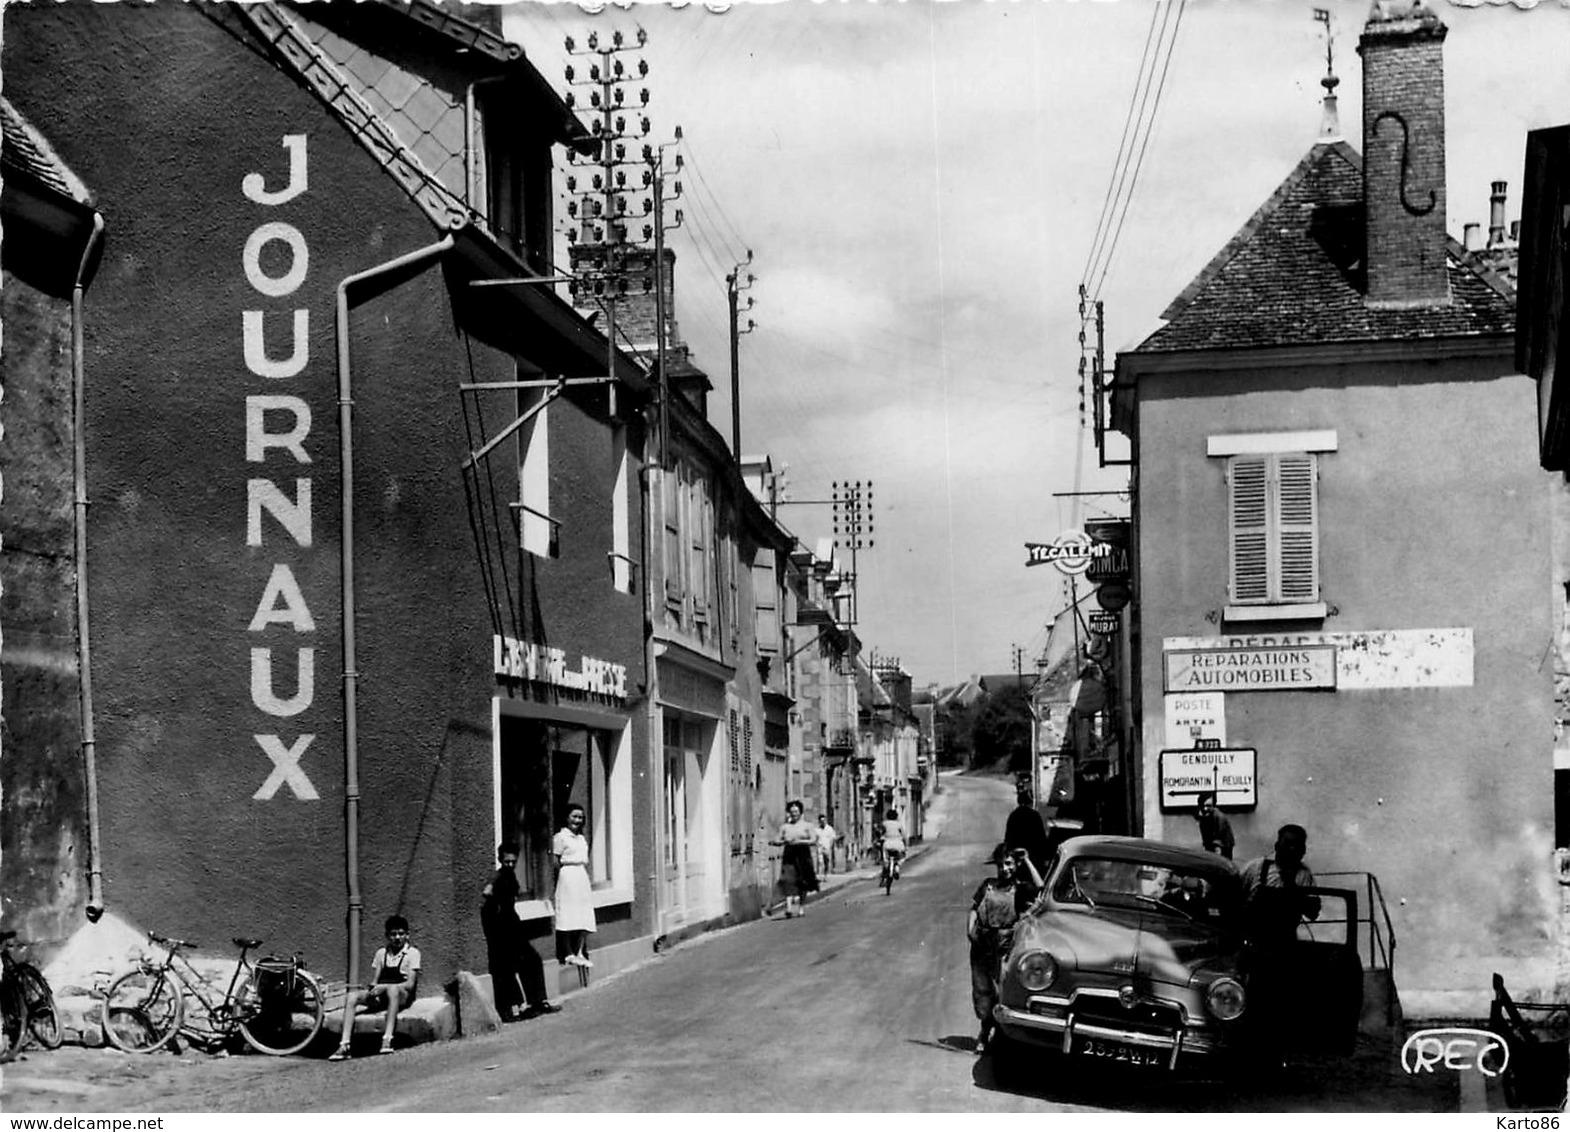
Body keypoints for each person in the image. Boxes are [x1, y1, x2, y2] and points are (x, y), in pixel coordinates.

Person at [967, 844, 1042, 1053]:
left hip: (1004, 946)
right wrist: (970, 930)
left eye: (1008, 864)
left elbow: (1041, 888)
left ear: (1015, 865)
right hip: (981, 944)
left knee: (1002, 993)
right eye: (1001, 865)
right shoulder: (987, 885)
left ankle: (1000, 1037)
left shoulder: (1020, 888)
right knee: (982, 992)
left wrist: (1026, 860)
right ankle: (983, 1032)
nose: (1004, 869)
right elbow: (974, 908)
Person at [481, 843, 562, 1022]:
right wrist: (497, 904)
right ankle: (511, 1010)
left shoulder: (511, 875)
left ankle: (537, 1002)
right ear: (500, 859)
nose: (510, 864)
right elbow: (486, 892)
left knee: (533, 960)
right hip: (501, 926)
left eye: (513, 861)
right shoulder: (498, 875)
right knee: (505, 968)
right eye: (507, 861)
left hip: (513, 924)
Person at [329, 915, 420, 1060]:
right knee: (352, 997)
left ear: (407, 935)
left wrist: (385, 987)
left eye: (401, 934)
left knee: (393, 990)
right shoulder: (381, 954)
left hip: (401, 995)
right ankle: (344, 1044)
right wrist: (373, 990)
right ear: (387, 936)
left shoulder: (412, 953)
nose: (397, 938)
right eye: (393, 934)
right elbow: (375, 980)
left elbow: (410, 985)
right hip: (383, 995)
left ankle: (387, 1039)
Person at [1238, 823, 1320, 947]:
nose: (1291, 849)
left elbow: (1313, 913)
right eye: (1287, 844)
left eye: (1296, 845)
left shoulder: (1304, 875)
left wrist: (1294, 892)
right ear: (1277, 846)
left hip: (1285, 943)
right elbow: (1233, 898)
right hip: (1252, 941)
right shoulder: (1255, 868)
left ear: (1303, 851)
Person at [551, 803, 597, 968]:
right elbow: (555, 861)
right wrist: (564, 875)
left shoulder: (581, 838)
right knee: (568, 914)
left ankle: (579, 952)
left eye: (580, 817)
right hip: (568, 877)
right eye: (574, 816)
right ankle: (568, 952)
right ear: (567, 817)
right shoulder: (560, 837)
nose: (577, 820)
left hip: (581, 877)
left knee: (584, 913)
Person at [771, 799, 820, 918]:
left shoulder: (808, 826)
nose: (794, 814)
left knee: (803, 882)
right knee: (787, 880)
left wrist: (800, 841)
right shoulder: (785, 827)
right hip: (789, 854)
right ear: (789, 813)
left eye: (796, 811)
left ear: (800, 812)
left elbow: (813, 840)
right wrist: (782, 841)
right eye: (792, 812)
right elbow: (776, 840)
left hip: (803, 855)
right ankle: (788, 908)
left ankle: (801, 907)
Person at [1004, 789, 1050, 874]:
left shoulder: (1013, 815)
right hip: (1034, 857)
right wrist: (1046, 856)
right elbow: (1041, 837)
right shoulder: (1034, 815)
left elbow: (1008, 838)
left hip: (1017, 857)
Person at [1193, 792, 1235, 860]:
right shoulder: (1202, 815)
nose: (1205, 809)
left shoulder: (1219, 817)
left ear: (1213, 806)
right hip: (1210, 843)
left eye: (1208, 806)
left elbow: (1218, 840)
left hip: (1224, 846)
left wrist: (1216, 855)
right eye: (1203, 806)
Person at [877, 807, 906, 880]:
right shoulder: (899, 824)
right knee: (902, 857)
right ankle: (897, 867)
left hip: (887, 844)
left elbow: (880, 833)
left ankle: (886, 867)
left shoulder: (884, 823)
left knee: (885, 857)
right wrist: (905, 844)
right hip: (898, 844)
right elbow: (904, 835)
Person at [814, 813, 839, 877]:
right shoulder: (817, 829)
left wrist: (830, 845)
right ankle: (819, 875)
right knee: (820, 862)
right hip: (820, 847)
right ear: (819, 821)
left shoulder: (829, 829)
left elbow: (833, 838)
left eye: (824, 821)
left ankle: (825, 874)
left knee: (826, 862)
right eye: (821, 821)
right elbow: (815, 838)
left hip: (827, 847)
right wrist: (816, 844)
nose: (822, 822)